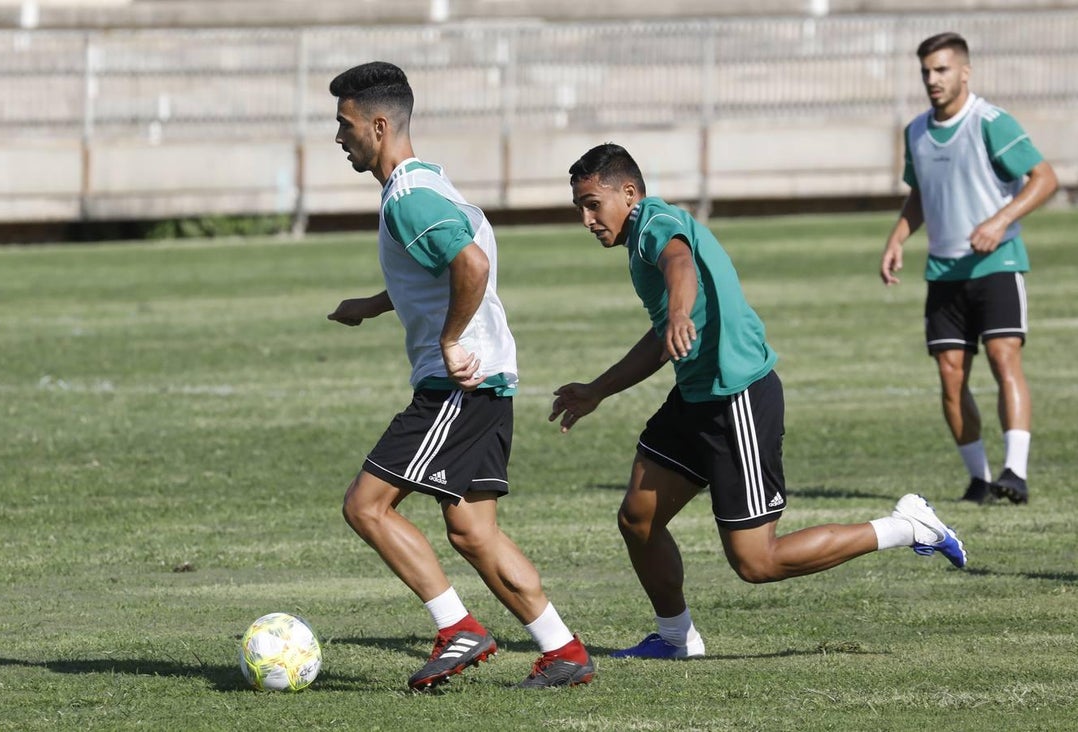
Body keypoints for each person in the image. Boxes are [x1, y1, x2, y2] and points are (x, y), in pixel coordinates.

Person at [552, 143, 966, 660]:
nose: (587, 219)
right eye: (579, 208)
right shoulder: (637, 241)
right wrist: (598, 390)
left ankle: (908, 526)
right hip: (696, 399)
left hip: (737, 398)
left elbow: (679, 261)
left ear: (629, 193)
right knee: (638, 518)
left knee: (756, 562)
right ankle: (677, 638)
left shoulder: (654, 222)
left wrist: (680, 312)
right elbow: (664, 337)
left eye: (593, 204)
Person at [326, 61, 593, 690]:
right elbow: (441, 267)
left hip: (458, 384)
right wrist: (373, 304)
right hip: (488, 380)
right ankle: (564, 652)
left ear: (379, 125)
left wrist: (448, 341)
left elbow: (468, 264)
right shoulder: (430, 185)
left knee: (367, 507)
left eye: (344, 125)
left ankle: (457, 629)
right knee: (473, 531)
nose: (339, 138)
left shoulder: (411, 198)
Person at [880, 32, 1058, 505]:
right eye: (925, 72)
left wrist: (1001, 221)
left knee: (1004, 359)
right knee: (950, 374)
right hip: (944, 273)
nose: (932, 80)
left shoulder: (989, 122)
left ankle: (1014, 473)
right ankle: (980, 480)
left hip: (997, 265)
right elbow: (919, 193)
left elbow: (1046, 178)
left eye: (941, 70)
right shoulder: (916, 130)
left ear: (964, 71)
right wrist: (898, 238)